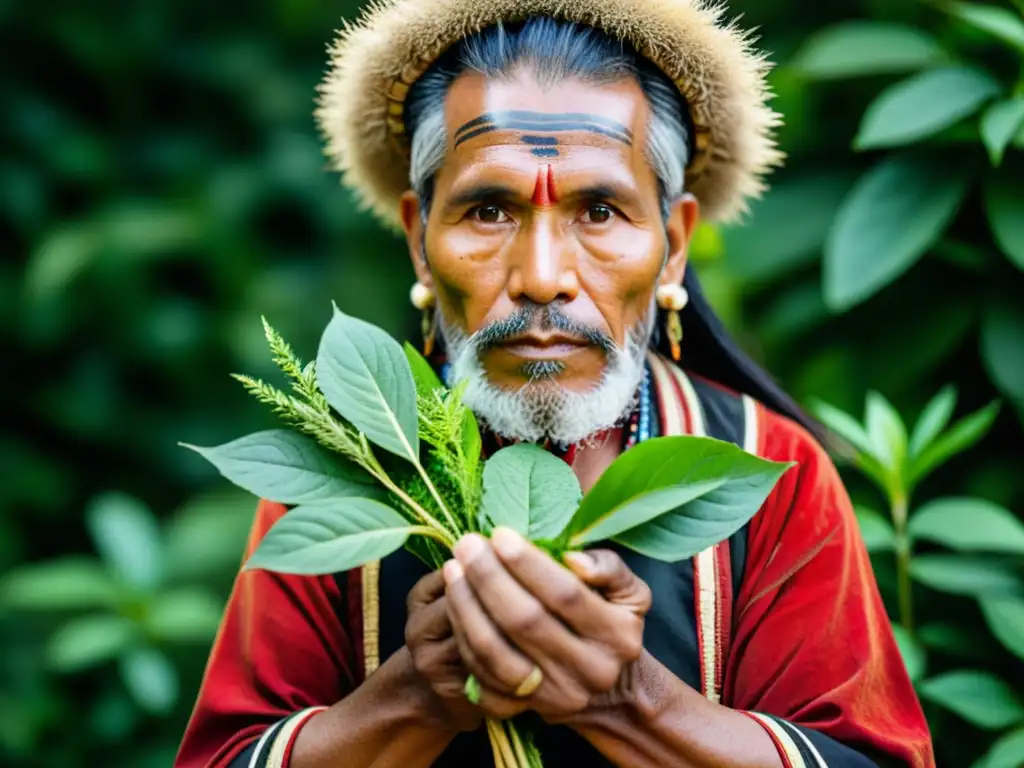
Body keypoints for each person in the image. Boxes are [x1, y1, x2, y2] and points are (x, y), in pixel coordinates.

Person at [175, 2, 935, 767]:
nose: (542, 278)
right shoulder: (345, 468)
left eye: (599, 211)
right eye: (488, 209)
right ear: (418, 239)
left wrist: (632, 700)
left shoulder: (776, 470)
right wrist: (415, 697)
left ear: (673, 247)